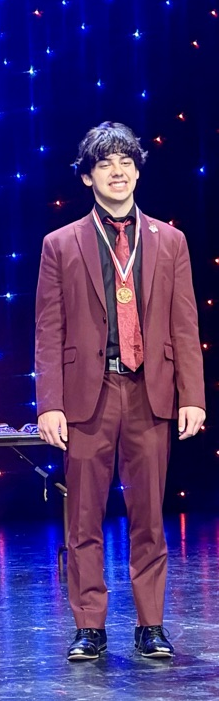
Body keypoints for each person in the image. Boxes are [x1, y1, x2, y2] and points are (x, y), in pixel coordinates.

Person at [35, 122, 206, 661]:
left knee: (149, 515)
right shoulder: (61, 243)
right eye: (105, 163)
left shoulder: (170, 241)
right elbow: (48, 330)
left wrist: (193, 395)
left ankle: (150, 624)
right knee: (84, 516)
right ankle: (90, 625)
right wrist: (50, 403)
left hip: (150, 391)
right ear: (87, 176)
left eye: (126, 162)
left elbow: (184, 325)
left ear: (137, 171)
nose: (117, 171)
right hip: (90, 392)